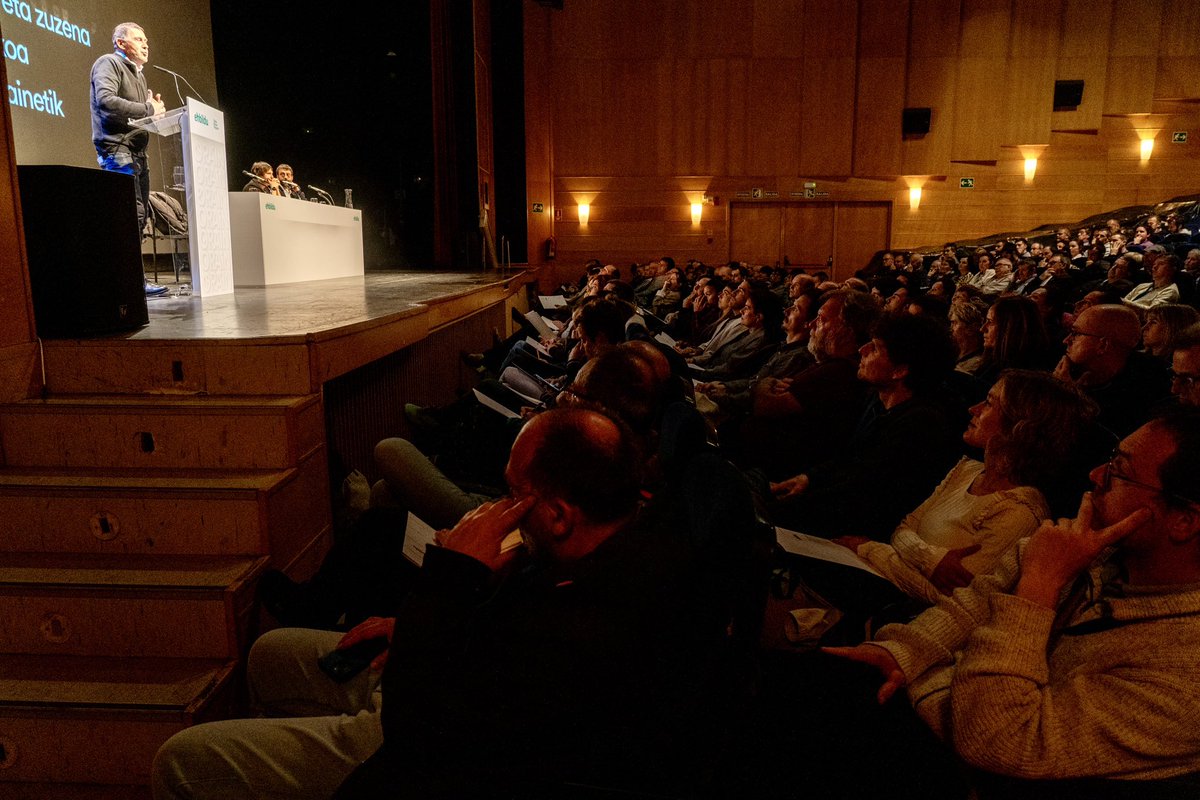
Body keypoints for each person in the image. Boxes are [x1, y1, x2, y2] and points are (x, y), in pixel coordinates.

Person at [829, 408, 1200, 789]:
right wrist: (902, 653)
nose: (1095, 476)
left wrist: (1040, 584)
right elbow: (973, 604)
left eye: (1118, 471)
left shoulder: (1187, 672)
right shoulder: (1099, 552)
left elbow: (997, 739)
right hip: (926, 716)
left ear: (1184, 520)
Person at [89, 22, 169, 296]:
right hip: (117, 150)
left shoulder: (139, 75)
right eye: (139, 38)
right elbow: (107, 102)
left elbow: (139, 114)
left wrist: (154, 113)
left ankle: (132, 279)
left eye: (146, 39)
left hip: (138, 153)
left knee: (139, 216)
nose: (146, 44)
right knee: (129, 215)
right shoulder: (108, 63)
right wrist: (149, 108)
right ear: (121, 43)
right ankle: (127, 282)